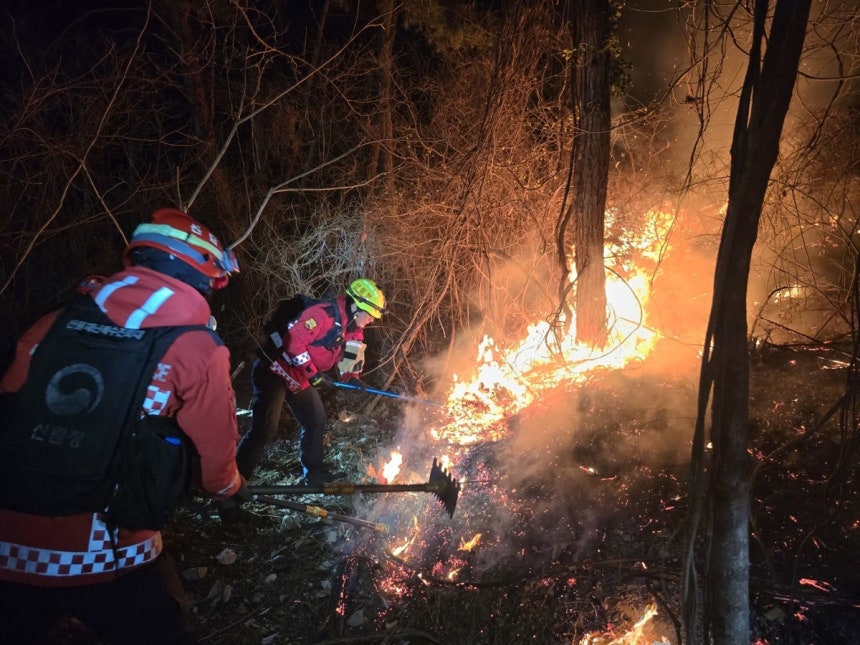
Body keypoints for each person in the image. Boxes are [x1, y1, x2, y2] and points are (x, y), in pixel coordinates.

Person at [0, 208, 249, 644]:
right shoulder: (196, 345)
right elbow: (216, 457)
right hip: (110, 554)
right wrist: (230, 488)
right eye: (215, 281)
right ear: (201, 274)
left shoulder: (52, 322)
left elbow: (10, 409)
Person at [234, 278, 386, 491]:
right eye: (370, 314)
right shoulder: (322, 314)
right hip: (275, 370)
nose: (371, 320)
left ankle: (314, 474)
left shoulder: (353, 327)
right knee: (265, 430)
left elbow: (351, 354)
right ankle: (234, 481)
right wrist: (313, 375)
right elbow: (294, 343)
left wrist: (350, 376)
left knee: (316, 420)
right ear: (356, 307)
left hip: (298, 376)